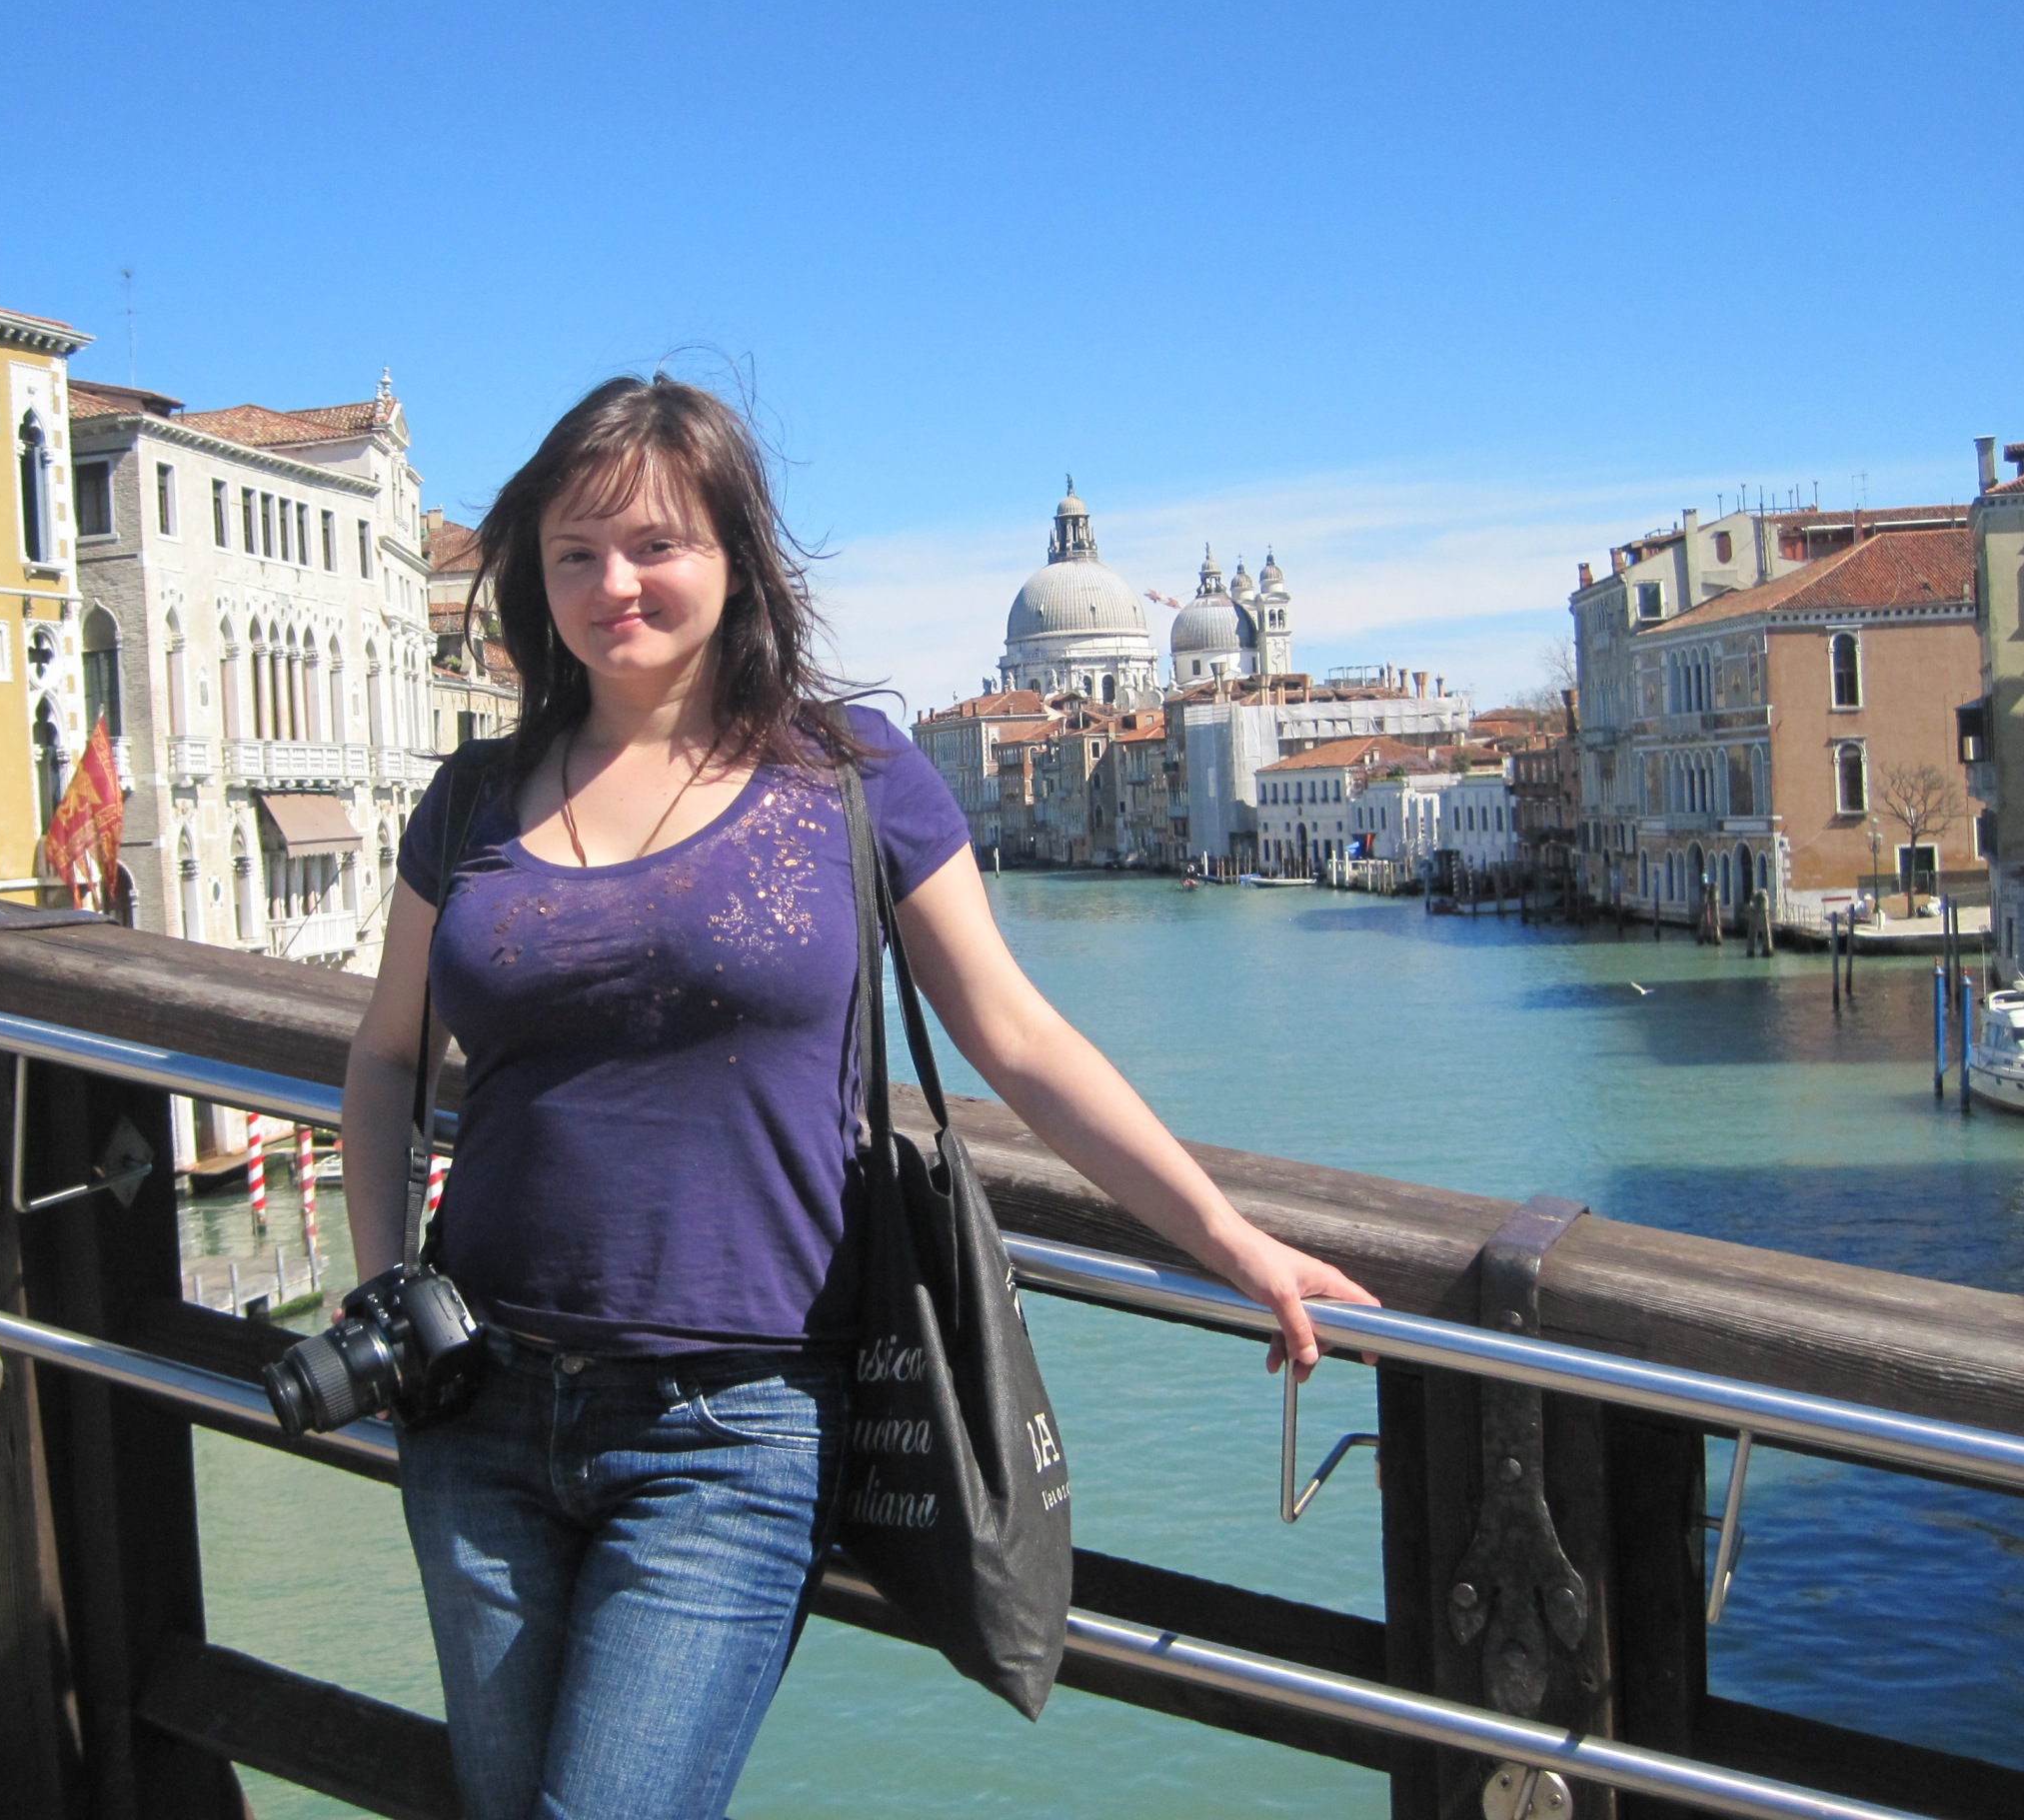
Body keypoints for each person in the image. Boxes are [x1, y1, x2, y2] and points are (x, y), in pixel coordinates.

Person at [341, 375, 1374, 1820]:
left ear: (735, 557)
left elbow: (1019, 1038)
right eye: (574, 553)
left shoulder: (846, 775)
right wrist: (381, 1299)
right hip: (474, 1404)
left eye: (654, 544)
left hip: (731, 1431)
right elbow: (388, 1056)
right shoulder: (469, 798)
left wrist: (1233, 1240)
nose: (612, 584)